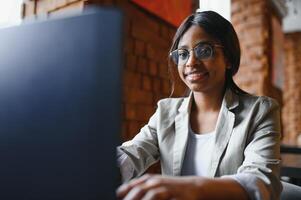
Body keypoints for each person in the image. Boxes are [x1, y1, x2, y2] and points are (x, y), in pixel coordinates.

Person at [116, 10, 282, 200]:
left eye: (204, 50)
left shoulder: (260, 111)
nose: (191, 62)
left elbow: (260, 182)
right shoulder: (165, 112)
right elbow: (133, 153)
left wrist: (191, 186)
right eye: (183, 54)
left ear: (227, 58)